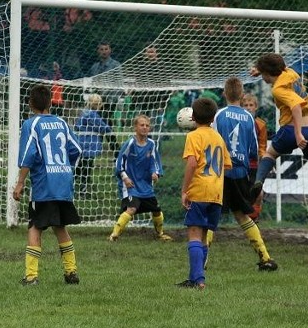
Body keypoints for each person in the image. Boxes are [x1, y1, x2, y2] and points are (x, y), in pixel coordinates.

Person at [248, 53, 308, 233]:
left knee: (270, 154)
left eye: (263, 74)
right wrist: (259, 69)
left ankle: (259, 181)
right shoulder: (291, 73)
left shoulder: (278, 89)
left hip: (292, 130)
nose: (263, 78)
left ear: (269, 73)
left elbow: (295, 107)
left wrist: (298, 134)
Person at [12, 84, 83, 286]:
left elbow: (28, 156)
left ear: (30, 104)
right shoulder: (62, 122)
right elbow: (77, 149)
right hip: (63, 182)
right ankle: (71, 272)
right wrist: (66, 168)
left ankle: (31, 276)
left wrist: (20, 183)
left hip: (44, 185)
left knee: (35, 227)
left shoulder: (31, 125)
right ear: (51, 102)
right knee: (60, 226)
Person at [211, 78, 278, 270]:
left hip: (221, 171)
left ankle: (202, 263)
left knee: (212, 215)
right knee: (242, 215)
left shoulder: (219, 115)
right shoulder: (249, 118)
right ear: (241, 95)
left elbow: (214, 142)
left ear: (224, 94)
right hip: (241, 172)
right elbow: (253, 149)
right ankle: (265, 258)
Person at [177, 97, 232, 289]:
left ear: (192, 116)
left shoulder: (193, 136)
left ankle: (199, 280)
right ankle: (193, 278)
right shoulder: (218, 137)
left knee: (193, 233)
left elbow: (192, 163)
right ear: (213, 117)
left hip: (199, 190)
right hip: (216, 193)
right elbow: (226, 164)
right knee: (203, 237)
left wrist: (185, 190)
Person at [109, 114, 172, 242]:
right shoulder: (130, 143)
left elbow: (154, 162)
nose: (144, 127)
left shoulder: (152, 144)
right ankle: (114, 235)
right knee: (131, 209)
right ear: (135, 128)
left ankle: (160, 234)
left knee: (157, 211)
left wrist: (155, 173)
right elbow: (119, 162)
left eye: (147, 125)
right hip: (131, 184)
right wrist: (125, 178)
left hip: (145, 185)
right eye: (141, 125)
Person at [73, 93, 114, 196]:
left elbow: (77, 125)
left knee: (80, 167)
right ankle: (83, 190)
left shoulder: (84, 113)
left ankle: (70, 185)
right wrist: (108, 129)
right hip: (89, 146)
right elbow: (104, 128)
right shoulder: (92, 115)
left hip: (82, 143)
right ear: (98, 104)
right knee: (86, 169)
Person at [241, 93, 267, 221]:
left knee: (258, 193)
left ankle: (254, 220)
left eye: (251, 105)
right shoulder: (238, 122)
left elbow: (262, 145)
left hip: (254, 164)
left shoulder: (261, 125)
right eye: (245, 105)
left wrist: (262, 157)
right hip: (239, 163)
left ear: (256, 107)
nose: (248, 108)